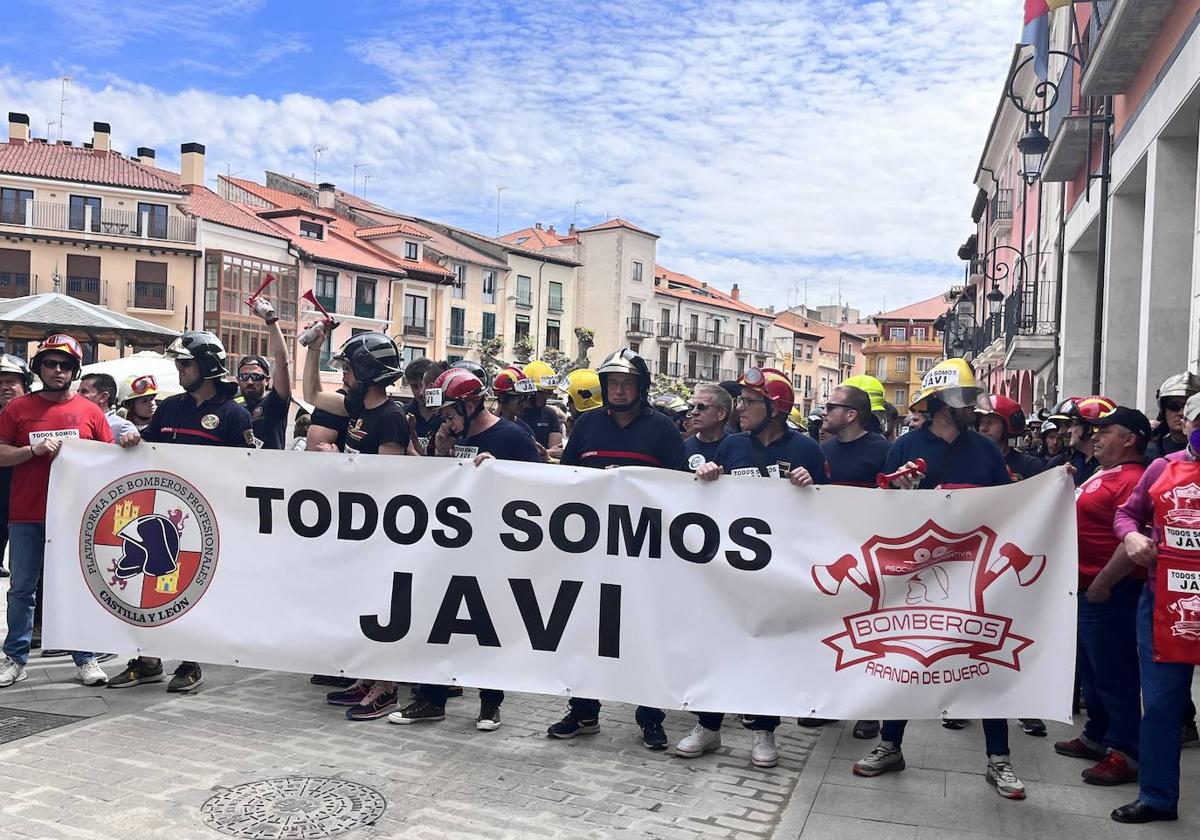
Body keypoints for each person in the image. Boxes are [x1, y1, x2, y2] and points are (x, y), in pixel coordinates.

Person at [856, 358, 1025, 800]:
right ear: (941, 403)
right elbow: (884, 509)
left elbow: (1005, 505)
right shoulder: (906, 446)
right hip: (917, 571)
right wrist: (902, 495)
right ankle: (890, 745)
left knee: (985, 662)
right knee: (906, 658)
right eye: (966, 400)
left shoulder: (986, 450)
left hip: (973, 571)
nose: (974, 409)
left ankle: (999, 760)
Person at [546, 348, 688, 751]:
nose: (619, 390)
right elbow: (568, 479)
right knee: (587, 629)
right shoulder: (587, 425)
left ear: (640, 388)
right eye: (612, 384)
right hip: (592, 548)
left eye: (627, 383)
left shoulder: (662, 429)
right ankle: (583, 710)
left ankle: (650, 717)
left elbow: (679, 485)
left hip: (644, 548)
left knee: (645, 633)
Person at [686, 368, 828, 768]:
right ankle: (708, 726)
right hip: (733, 568)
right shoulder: (731, 446)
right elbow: (710, 503)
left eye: (750, 402)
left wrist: (811, 485)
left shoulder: (807, 450)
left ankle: (764, 731)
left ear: (776, 408)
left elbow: (829, 511)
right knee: (721, 645)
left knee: (769, 649)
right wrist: (708, 477)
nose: (741, 407)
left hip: (781, 571)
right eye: (742, 400)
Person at [390, 367, 539, 732]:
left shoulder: (513, 436)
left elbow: (540, 486)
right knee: (437, 622)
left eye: (452, 413)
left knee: (490, 626)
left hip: (496, 547)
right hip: (452, 545)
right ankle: (431, 698)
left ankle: (490, 703)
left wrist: (501, 471)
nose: (447, 420)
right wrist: (441, 455)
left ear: (472, 405)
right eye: (444, 415)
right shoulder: (447, 436)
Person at [110, 331, 253, 694]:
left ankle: (191, 663)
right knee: (151, 587)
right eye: (178, 362)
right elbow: (150, 451)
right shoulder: (171, 406)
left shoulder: (234, 415)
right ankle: (147, 662)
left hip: (207, 520)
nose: (179, 367)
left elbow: (247, 470)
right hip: (164, 514)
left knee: (192, 590)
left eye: (186, 362)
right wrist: (133, 442)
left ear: (206, 365)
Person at [303, 327, 413, 719]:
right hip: (359, 527)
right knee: (359, 603)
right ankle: (367, 678)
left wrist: (342, 465)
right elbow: (312, 395)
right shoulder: (356, 408)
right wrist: (314, 349)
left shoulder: (391, 419)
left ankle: (387, 689)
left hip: (382, 532)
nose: (344, 374)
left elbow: (386, 479)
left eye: (349, 368)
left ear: (366, 372)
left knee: (379, 606)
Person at [0, 335, 118, 689]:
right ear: (38, 368)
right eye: (50, 363)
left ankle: (86, 656)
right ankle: (15, 658)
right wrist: (31, 452)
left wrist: (128, 442)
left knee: (77, 586)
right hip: (27, 514)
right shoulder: (16, 410)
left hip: (74, 516)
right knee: (22, 588)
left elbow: (110, 458)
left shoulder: (90, 411)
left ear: (74, 371)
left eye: (64, 365)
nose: (57, 370)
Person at [1111, 391, 1200, 823]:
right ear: (1184, 425)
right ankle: (1158, 797)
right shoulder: (1162, 469)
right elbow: (1127, 514)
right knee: (1163, 703)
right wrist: (1131, 536)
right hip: (1166, 601)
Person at [1052, 406, 1149, 787]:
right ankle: (1098, 734)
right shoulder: (1102, 472)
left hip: (1111, 590)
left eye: (1106, 430)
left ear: (1130, 439)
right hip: (1087, 586)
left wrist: (1105, 582)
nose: (1096, 435)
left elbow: (1131, 539)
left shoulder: (1134, 479)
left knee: (1115, 672)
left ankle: (1125, 751)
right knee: (1093, 671)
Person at [233, 294, 292, 450]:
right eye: (245, 376)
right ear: (238, 380)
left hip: (269, 471)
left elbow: (282, 363)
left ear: (267, 380)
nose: (250, 381)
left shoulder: (274, 403)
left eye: (257, 377)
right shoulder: (232, 406)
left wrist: (271, 320)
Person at [0, 354, 33, 578]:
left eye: (11, 381)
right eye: (0, 383)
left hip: (29, 490)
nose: (5, 387)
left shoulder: (39, 413)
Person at [820, 384, 891, 488]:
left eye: (830, 407)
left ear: (851, 415)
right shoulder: (823, 450)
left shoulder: (883, 451)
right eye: (824, 407)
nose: (823, 413)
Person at [976, 394, 1043, 481]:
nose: (983, 428)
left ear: (1007, 426)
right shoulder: (969, 462)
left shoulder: (1030, 465)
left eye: (990, 422)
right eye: (981, 422)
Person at [1146, 373, 1200, 461]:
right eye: (1174, 406)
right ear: (1163, 410)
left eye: (1189, 407)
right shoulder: (1150, 451)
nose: (1182, 413)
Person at [78, 372, 139, 440]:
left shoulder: (123, 427)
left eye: (84, 392)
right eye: (78, 391)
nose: (77, 395)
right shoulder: (78, 421)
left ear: (103, 397)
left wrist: (131, 439)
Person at [684, 383, 733, 467]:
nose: (694, 412)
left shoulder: (737, 448)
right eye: (693, 407)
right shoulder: (683, 448)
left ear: (721, 413)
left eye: (701, 407)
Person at [521, 359, 564, 454]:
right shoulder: (514, 413)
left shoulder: (550, 414)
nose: (545, 397)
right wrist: (547, 452)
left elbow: (557, 452)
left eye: (549, 393)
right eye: (541, 392)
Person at [402, 358, 443, 455]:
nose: (421, 392)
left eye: (424, 386)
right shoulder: (402, 414)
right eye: (415, 386)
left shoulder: (448, 417)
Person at [493, 365, 537, 435]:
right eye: (521, 399)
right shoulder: (483, 425)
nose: (525, 403)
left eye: (527, 398)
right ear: (502, 397)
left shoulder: (526, 430)